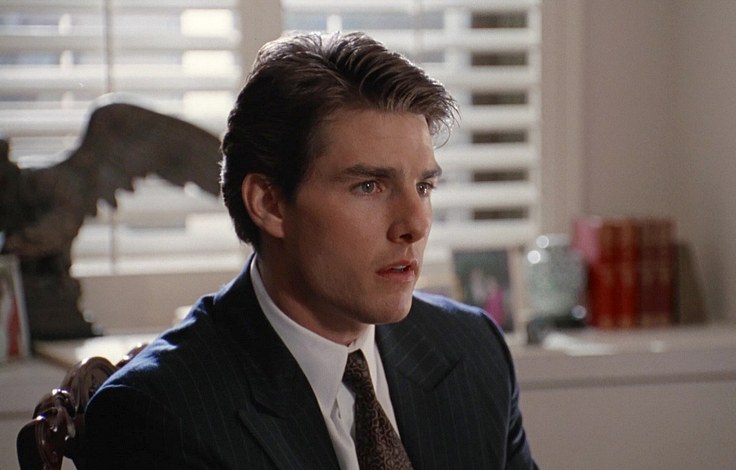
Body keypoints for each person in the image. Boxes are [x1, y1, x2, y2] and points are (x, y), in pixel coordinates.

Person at [84, 31, 538, 469]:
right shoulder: (159, 415)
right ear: (269, 204)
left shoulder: (472, 347)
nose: (415, 225)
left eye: (423, 186)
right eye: (369, 186)